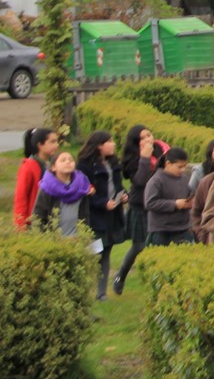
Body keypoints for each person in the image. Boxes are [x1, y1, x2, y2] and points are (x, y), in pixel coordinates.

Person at [113, 125, 161, 294]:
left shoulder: (160, 152)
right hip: (140, 205)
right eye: (143, 138)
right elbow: (140, 181)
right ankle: (120, 276)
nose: (148, 139)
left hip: (157, 205)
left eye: (149, 135)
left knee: (157, 243)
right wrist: (145, 158)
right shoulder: (134, 160)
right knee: (139, 245)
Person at [78, 132, 126, 299]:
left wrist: (123, 195)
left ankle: (101, 293)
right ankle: (84, 290)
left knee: (106, 252)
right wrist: (102, 202)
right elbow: (84, 192)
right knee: (94, 253)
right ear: (99, 145)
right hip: (96, 218)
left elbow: (118, 185)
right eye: (109, 141)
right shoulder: (85, 166)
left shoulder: (113, 163)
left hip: (112, 216)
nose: (113, 144)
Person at [144, 147, 198, 246]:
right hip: (162, 230)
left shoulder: (184, 179)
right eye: (179, 167)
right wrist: (175, 204)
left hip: (183, 228)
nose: (183, 170)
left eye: (184, 166)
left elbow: (190, 194)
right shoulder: (156, 180)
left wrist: (191, 201)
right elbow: (150, 203)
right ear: (168, 164)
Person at [13, 126, 59, 230]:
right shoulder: (28, 167)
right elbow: (21, 198)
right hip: (35, 223)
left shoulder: (54, 164)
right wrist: (21, 225)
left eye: (56, 141)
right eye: (52, 142)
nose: (56, 145)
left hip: (53, 220)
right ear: (40, 145)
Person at [34, 150, 90, 234]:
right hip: (56, 241)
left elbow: (85, 215)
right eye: (63, 160)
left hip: (78, 240)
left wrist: (85, 235)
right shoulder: (47, 188)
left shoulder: (82, 186)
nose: (68, 162)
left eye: (71, 160)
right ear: (53, 167)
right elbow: (38, 218)